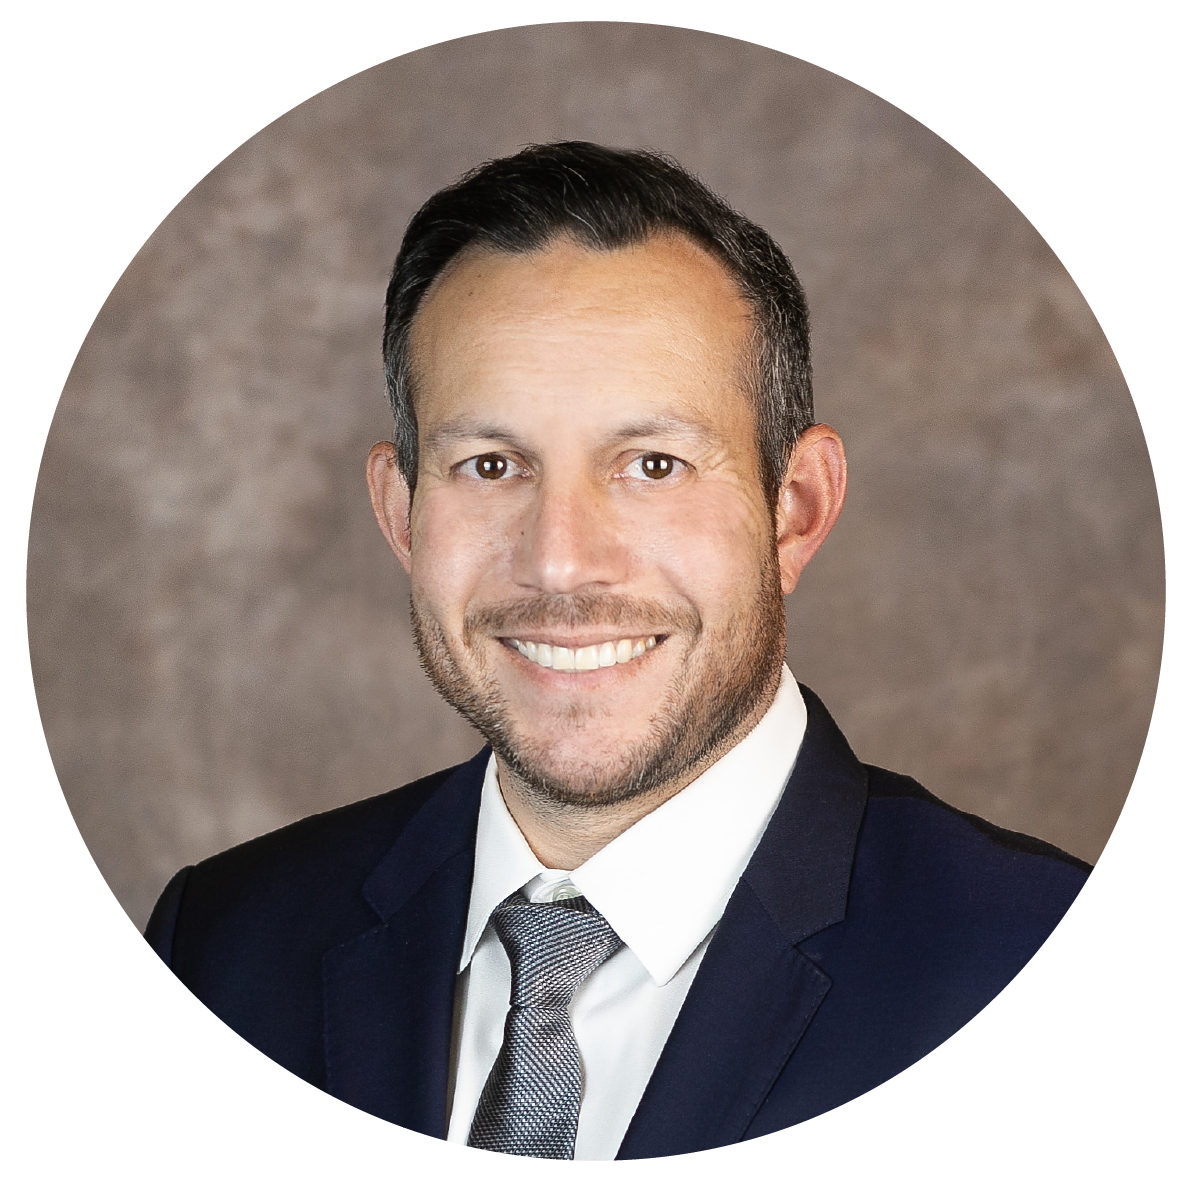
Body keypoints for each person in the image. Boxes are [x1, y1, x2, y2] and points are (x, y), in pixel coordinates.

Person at [145, 142, 1095, 1169]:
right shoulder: (223, 951)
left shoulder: (1071, 985)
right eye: (491, 465)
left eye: (653, 465)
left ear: (796, 509)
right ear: (400, 512)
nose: (560, 561)